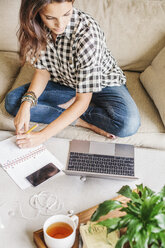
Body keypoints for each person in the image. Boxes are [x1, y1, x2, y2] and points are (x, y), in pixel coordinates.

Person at [5, 0, 140, 148]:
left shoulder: (88, 33)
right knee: (13, 102)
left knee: (128, 124)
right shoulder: (37, 27)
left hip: (104, 84)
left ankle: (72, 110)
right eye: (50, 18)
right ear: (36, 13)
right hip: (66, 83)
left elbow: (83, 99)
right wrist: (26, 104)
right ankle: (82, 121)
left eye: (66, 14)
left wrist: (43, 136)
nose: (60, 24)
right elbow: (42, 72)